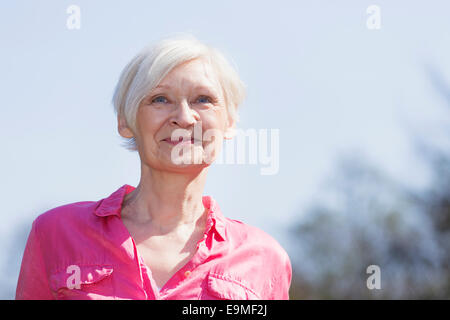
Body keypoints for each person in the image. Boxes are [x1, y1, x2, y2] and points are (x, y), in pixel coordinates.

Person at [15, 34, 292, 300]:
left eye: (203, 99)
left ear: (229, 122)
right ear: (125, 121)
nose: (184, 118)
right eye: (160, 99)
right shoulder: (56, 233)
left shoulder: (265, 259)